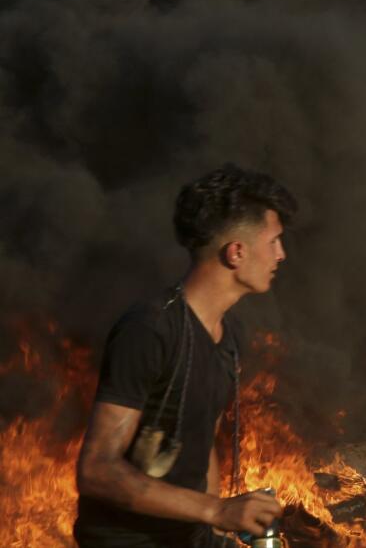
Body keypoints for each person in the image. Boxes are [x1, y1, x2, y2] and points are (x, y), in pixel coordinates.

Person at [74, 164, 295, 547]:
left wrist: (214, 519)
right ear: (236, 252)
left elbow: (202, 437)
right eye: (274, 241)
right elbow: (96, 470)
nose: (282, 254)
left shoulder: (230, 334)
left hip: (191, 537)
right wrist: (216, 510)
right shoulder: (151, 329)